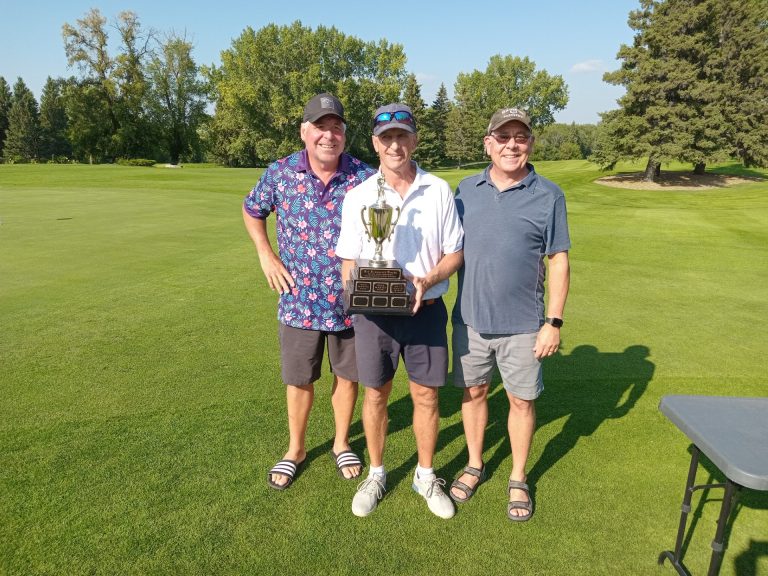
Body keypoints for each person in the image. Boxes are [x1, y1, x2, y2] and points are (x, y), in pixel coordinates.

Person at [336, 103, 464, 519]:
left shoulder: (439, 190)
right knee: (375, 394)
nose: (395, 144)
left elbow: (454, 252)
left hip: (425, 309)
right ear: (375, 143)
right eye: (386, 137)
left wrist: (427, 280)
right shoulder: (358, 195)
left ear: (415, 139)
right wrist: (358, 293)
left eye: (402, 136)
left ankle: (425, 475)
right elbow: (349, 260)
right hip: (375, 316)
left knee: (426, 394)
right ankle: (377, 472)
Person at [242, 93, 376, 490]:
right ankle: (296, 449)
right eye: (320, 126)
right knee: (299, 378)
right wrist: (266, 255)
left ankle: (341, 443)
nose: (328, 135)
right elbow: (252, 210)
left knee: (347, 376)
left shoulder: (366, 177)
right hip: (298, 299)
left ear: (344, 134)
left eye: (336, 127)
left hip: (351, 300)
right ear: (305, 131)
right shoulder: (280, 173)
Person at [449, 108, 571, 521]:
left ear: (531, 143)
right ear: (488, 143)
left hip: (523, 324)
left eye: (520, 137)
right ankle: (475, 463)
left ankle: (518, 477)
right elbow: (446, 249)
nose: (511, 145)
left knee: (521, 401)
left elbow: (558, 259)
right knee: (474, 393)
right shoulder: (465, 190)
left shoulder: (548, 195)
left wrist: (552, 322)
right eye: (503, 137)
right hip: (469, 319)